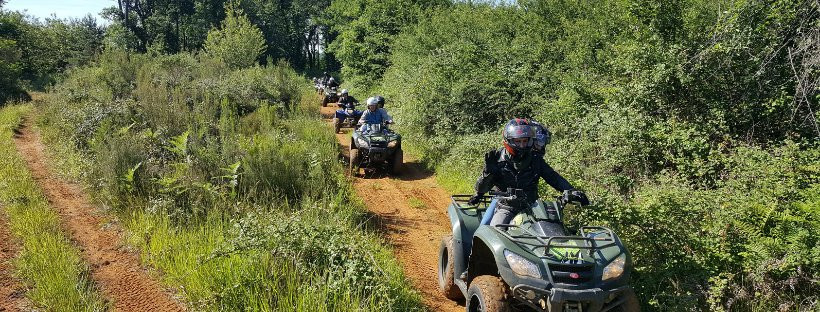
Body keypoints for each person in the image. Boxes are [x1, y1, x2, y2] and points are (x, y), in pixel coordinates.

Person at [467, 118, 588, 226]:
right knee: (493, 230)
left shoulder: (535, 159)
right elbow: (482, 188)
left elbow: (554, 177)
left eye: (525, 141)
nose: (522, 145)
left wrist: (571, 190)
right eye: (518, 141)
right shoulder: (497, 158)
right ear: (509, 140)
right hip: (506, 206)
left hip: (532, 207)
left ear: (530, 141)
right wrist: (487, 173)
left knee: (551, 230)